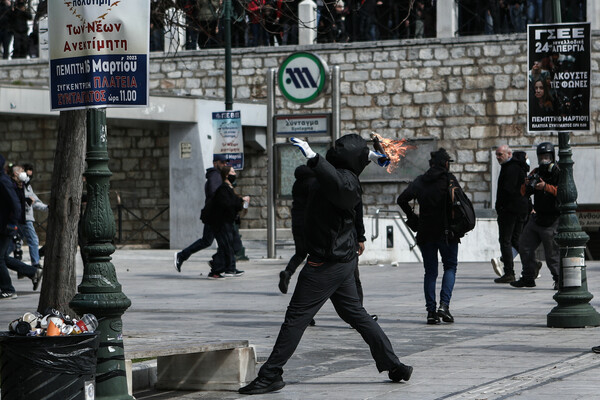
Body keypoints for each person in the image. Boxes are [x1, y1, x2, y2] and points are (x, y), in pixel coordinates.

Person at [239, 134, 412, 395]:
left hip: (326, 262)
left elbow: (339, 184)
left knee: (296, 319)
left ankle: (271, 374)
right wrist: (373, 157)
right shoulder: (344, 175)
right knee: (356, 314)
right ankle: (394, 365)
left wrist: (314, 157)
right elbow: (344, 167)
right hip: (341, 260)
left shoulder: (346, 183)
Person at [396, 148, 461, 325]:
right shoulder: (449, 180)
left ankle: (431, 312)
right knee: (450, 267)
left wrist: (412, 217)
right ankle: (444, 306)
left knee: (430, 272)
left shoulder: (420, 181)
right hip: (447, 233)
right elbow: (461, 204)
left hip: (425, 233)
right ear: (446, 163)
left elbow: (401, 199)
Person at [511, 142, 560, 289]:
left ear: (552, 157)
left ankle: (559, 279)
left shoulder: (558, 172)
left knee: (552, 254)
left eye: (547, 156)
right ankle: (528, 277)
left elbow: (563, 192)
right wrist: (526, 184)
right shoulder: (536, 172)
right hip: (537, 217)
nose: (544, 160)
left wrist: (546, 187)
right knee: (524, 246)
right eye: (542, 157)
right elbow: (523, 193)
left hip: (552, 219)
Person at [174, 154, 228, 272]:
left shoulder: (218, 176)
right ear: (215, 163)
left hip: (215, 215)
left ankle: (217, 264)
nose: (225, 164)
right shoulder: (215, 176)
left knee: (211, 241)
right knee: (220, 241)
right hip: (214, 215)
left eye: (225, 163)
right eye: (222, 162)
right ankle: (218, 265)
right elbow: (214, 193)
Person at [0, 158, 42, 299]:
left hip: (7, 226)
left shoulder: (3, 181)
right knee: (3, 257)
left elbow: (16, 204)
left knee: (2, 257)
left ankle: (8, 289)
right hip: (7, 225)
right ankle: (32, 272)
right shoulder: (6, 180)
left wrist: (12, 223)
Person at [492, 145, 528, 284]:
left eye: (500, 154)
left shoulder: (511, 168)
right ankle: (532, 264)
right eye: (496, 154)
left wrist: (501, 207)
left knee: (505, 241)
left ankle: (509, 272)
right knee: (515, 241)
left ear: (509, 154)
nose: (497, 157)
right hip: (518, 209)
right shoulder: (517, 166)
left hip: (510, 210)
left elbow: (508, 191)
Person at [278, 165, 317, 294]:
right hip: (309, 222)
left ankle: (288, 272)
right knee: (315, 254)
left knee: (300, 252)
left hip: (297, 222)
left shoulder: (297, 184)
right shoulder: (313, 183)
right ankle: (309, 283)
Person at [206, 166, 249, 279]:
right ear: (226, 175)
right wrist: (241, 201)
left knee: (233, 245)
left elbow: (232, 203)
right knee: (226, 246)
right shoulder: (223, 189)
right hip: (222, 223)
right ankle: (217, 269)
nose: (234, 174)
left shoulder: (228, 188)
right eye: (232, 172)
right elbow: (227, 204)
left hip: (228, 222)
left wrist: (241, 201)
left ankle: (229, 268)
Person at [19, 163, 48, 269]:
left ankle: (18, 263)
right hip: (24, 218)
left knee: (16, 242)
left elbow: (35, 202)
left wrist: (47, 207)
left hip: (27, 218)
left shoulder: (28, 187)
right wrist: (27, 202)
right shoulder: (19, 186)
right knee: (33, 240)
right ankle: (35, 263)